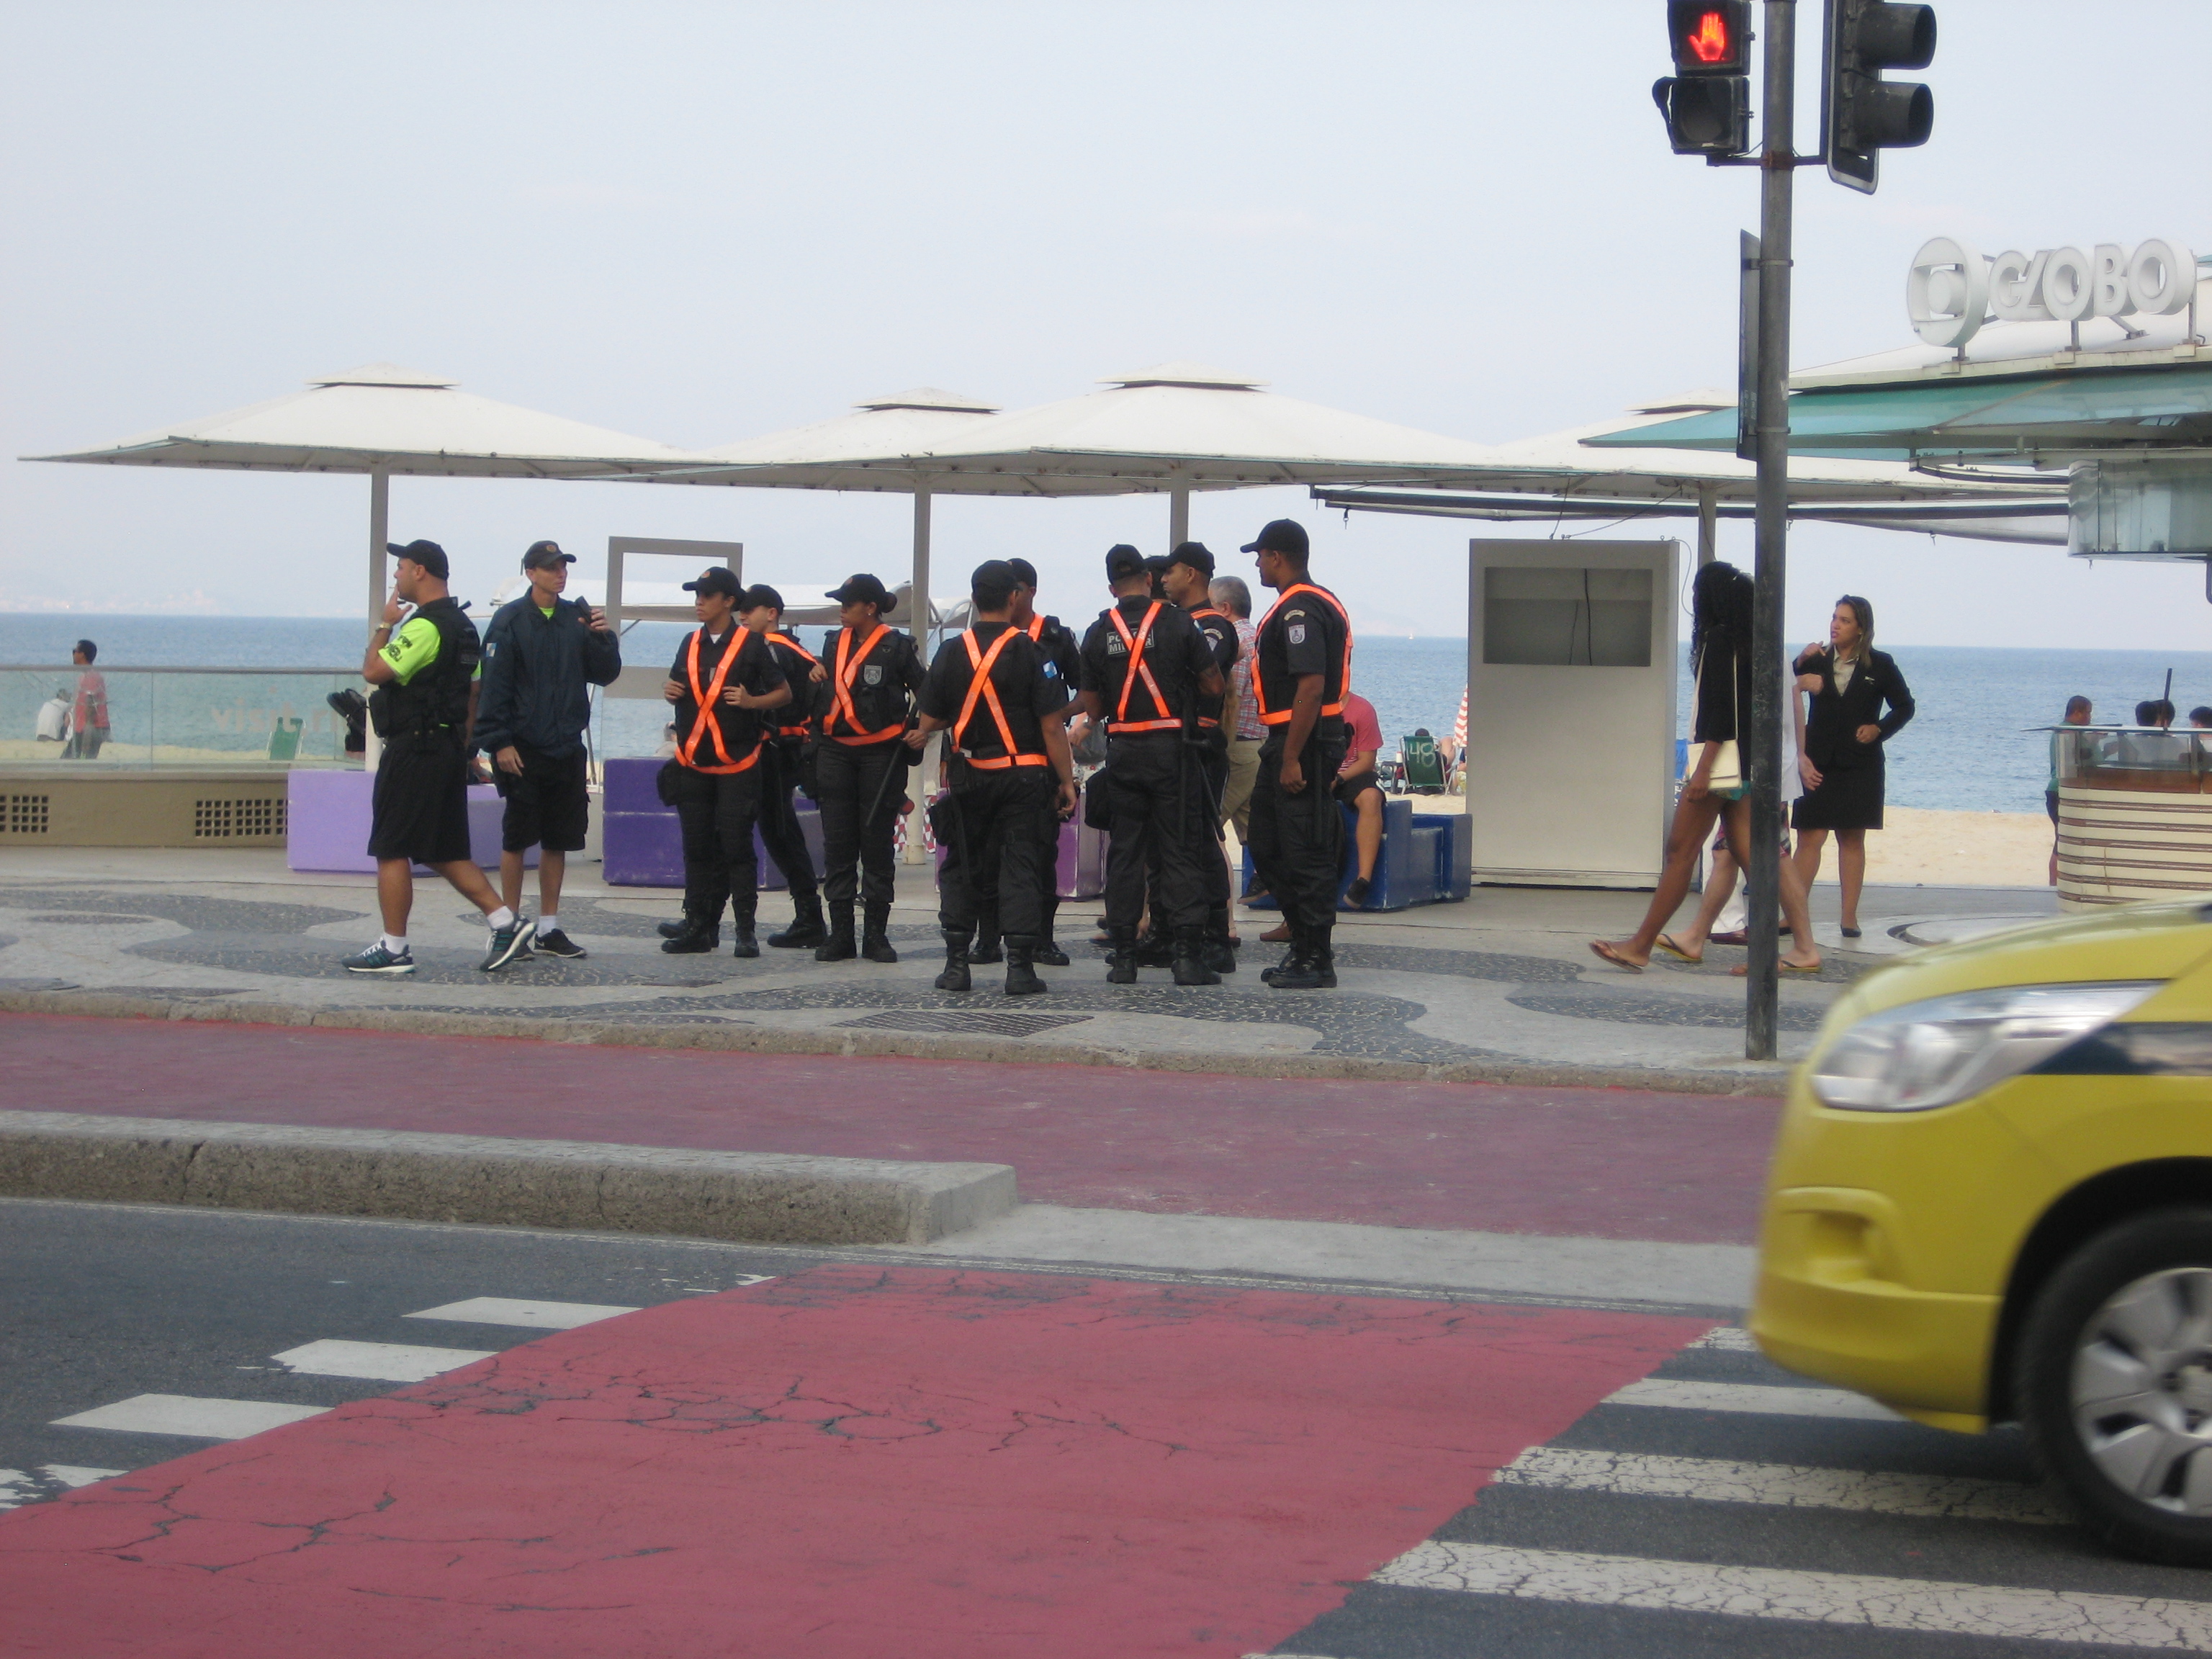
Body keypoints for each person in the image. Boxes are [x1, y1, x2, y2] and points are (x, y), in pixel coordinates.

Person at [1591, 561, 1820, 976]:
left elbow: (1719, 714)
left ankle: (1641, 945)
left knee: (1680, 851)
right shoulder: (1760, 643)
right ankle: (1797, 947)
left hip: (1720, 764)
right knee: (1763, 857)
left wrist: (1703, 771)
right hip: (1753, 762)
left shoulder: (1719, 640)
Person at [343, 541, 528, 976]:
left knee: (391, 847)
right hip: (446, 750)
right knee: (440, 848)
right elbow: (474, 691)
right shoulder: (465, 628)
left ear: (420, 572)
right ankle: (504, 921)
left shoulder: (423, 627)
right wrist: (464, 748)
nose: (397, 576)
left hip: (415, 748)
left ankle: (394, 948)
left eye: (401, 568)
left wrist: (385, 626)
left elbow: (373, 672)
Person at [909, 560, 1078, 996]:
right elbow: (1051, 726)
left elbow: (929, 718)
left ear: (974, 597)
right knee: (1020, 866)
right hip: (1022, 778)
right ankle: (1020, 968)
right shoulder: (1031, 651)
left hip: (969, 777)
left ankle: (956, 965)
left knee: (963, 866)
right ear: (1013, 598)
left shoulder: (951, 651)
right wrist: (1066, 781)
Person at [1079, 544, 1226, 985]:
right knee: (1179, 850)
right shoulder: (1179, 622)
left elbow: (1092, 704)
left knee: (1126, 853)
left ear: (1111, 588)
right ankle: (1186, 957)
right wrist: (1193, 712)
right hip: (1171, 750)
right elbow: (1213, 682)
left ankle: (1124, 956)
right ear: (1148, 578)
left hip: (1124, 752)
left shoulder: (1096, 632)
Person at [474, 539, 621, 960]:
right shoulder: (509, 620)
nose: (560, 573)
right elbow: (493, 685)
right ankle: (511, 925)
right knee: (517, 837)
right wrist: (498, 741)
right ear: (531, 573)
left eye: (563, 566)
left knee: (558, 839)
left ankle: (549, 927)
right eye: (550, 567)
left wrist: (602, 636)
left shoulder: (575, 617)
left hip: (565, 746)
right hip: (521, 747)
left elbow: (605, 673)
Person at [1243, 518, 1354, 991]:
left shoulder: (1299, 610)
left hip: (1302, 742)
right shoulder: (1304, 603)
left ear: (1277, 557)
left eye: (1260, 555)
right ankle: (1302, 940)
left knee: (1305, 849)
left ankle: (1315, 955)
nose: (1257, 564)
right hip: (1289, 740)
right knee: (1267, 842)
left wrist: (1291, 758)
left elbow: (1310, 686)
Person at [658, 566, 791, 956]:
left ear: (729, 601)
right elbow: (679, 685)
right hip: (694, 763)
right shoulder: (689, 641)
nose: (699, 602)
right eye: (697, 595)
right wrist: (670, 692)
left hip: (737, 763)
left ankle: (745, 930)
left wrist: (752, 702)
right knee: (697, 846)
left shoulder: (751, 644)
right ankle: (700, 926)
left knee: (736, 847)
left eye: (707, 595)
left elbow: (783, 693)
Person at [972, 557, 1084, 967]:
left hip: (1041, 758)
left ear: (1029, 591)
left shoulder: (1053, 636)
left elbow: (1088, 688)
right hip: (989, 760)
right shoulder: (978, 639)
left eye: (1017, 588)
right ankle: (987, 938)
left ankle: (1042, 938)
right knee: (987, 853)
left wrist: (1056, 714)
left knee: (1041, 852)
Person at [809, 572, 925, 962]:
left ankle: (876, 936)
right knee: (837, 844)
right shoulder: (830, 645)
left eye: (848, 603)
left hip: (881, 755)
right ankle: (840, 934)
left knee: (876, 843)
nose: (842, 609)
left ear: (870, 607)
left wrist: (920, 731)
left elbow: (928, 693)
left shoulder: (897, 647)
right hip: (834, 752)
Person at [1659, 660, 1807, 961]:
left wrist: (1704, 768)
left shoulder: (1743, 645)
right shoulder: (1767, 646)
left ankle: (1804, 945)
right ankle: (1698, 934)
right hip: (1760, 768)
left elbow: (1733, 713)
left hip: (1756, 771)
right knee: (1730, 854)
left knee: (1770, 856)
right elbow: (1793, 705)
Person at [1791, 595, 1915, 940]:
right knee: (1810, 836)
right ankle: (1793, 915)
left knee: (1851, 837)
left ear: (1861, 628)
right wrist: (1800, 668)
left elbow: (1905, 707)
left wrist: (1880, 729)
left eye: (1844, 620)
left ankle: (1849, 918)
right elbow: (1781, 687)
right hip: (1816, 762)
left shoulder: (1880, 665)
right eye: (1834, 617)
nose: (1835, 625)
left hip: (1860, 763)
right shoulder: (1815, 658)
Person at [1161, 542, 1240, 971]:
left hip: (1202, 746)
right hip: (1173, 746)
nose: (1163, 579)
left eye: (1170, 571)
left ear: (1191, 574)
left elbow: (1199, 675)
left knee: (1201, 839)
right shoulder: (1176, 622)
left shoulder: (1212, 626)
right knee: (1174, 841)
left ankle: (1215, 935)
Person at [742, 585, 830, 950]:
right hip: (794, 748)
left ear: (772, 613)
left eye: (751, 609)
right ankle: (808, 914)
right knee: (779, 828)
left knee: (778, 829)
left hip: (778, 749)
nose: (743, 615)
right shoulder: (798, 649)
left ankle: (809, 915)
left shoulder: (773, 650)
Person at [1210, 575, 1265, 858]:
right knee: (1253, 829)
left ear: (1224, 609)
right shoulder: (1259, 637)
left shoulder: (1236, 643)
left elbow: (1232, 701)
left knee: (1207, 824)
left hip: (1239, 745)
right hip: (1258, 743)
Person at [2048, 694, 2092, 886]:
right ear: (2078, 712)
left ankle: (2056, 884)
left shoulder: (2061, 730)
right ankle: (2054, 885)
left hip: (2055, 790)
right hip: (2062, 791)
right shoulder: (2071, 733)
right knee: (2062, 843)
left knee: (2062, 840)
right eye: (2088, 713)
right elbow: (2085, 759)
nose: (2090, 719)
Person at [61, 640, 108, 760]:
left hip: (89, 731)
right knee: (69, 765)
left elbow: (91, 708)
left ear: (82, 654)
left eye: (75, 651)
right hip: (83, 730)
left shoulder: (92, 677)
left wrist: (87, 738)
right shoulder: (84, 676)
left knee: (69, 765)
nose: (73, 655)